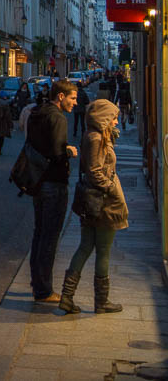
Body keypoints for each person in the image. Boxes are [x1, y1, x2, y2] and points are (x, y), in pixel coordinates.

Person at [59, 99, 129, 314]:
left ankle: (67, 297)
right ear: (104, 118)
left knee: (86, 246)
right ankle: (101, 301)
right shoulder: (96, 138)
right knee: (103, 251)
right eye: (113, 117)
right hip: (103, 202)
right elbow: (95, 171)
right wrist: (111, 188)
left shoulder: (95, 135)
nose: (116, 121)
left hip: (92, 200)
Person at [26, 78, 78, 303]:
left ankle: (37, 282)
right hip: (53, 184)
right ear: (61, 97)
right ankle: (44, 290)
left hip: (37, 181)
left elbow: (37, 146)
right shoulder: (58, 118)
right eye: (72, 98)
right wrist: (69, 152)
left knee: (39, 234)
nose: (75, 103)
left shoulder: (37, 113)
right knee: (50, 237)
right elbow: (57, 154)